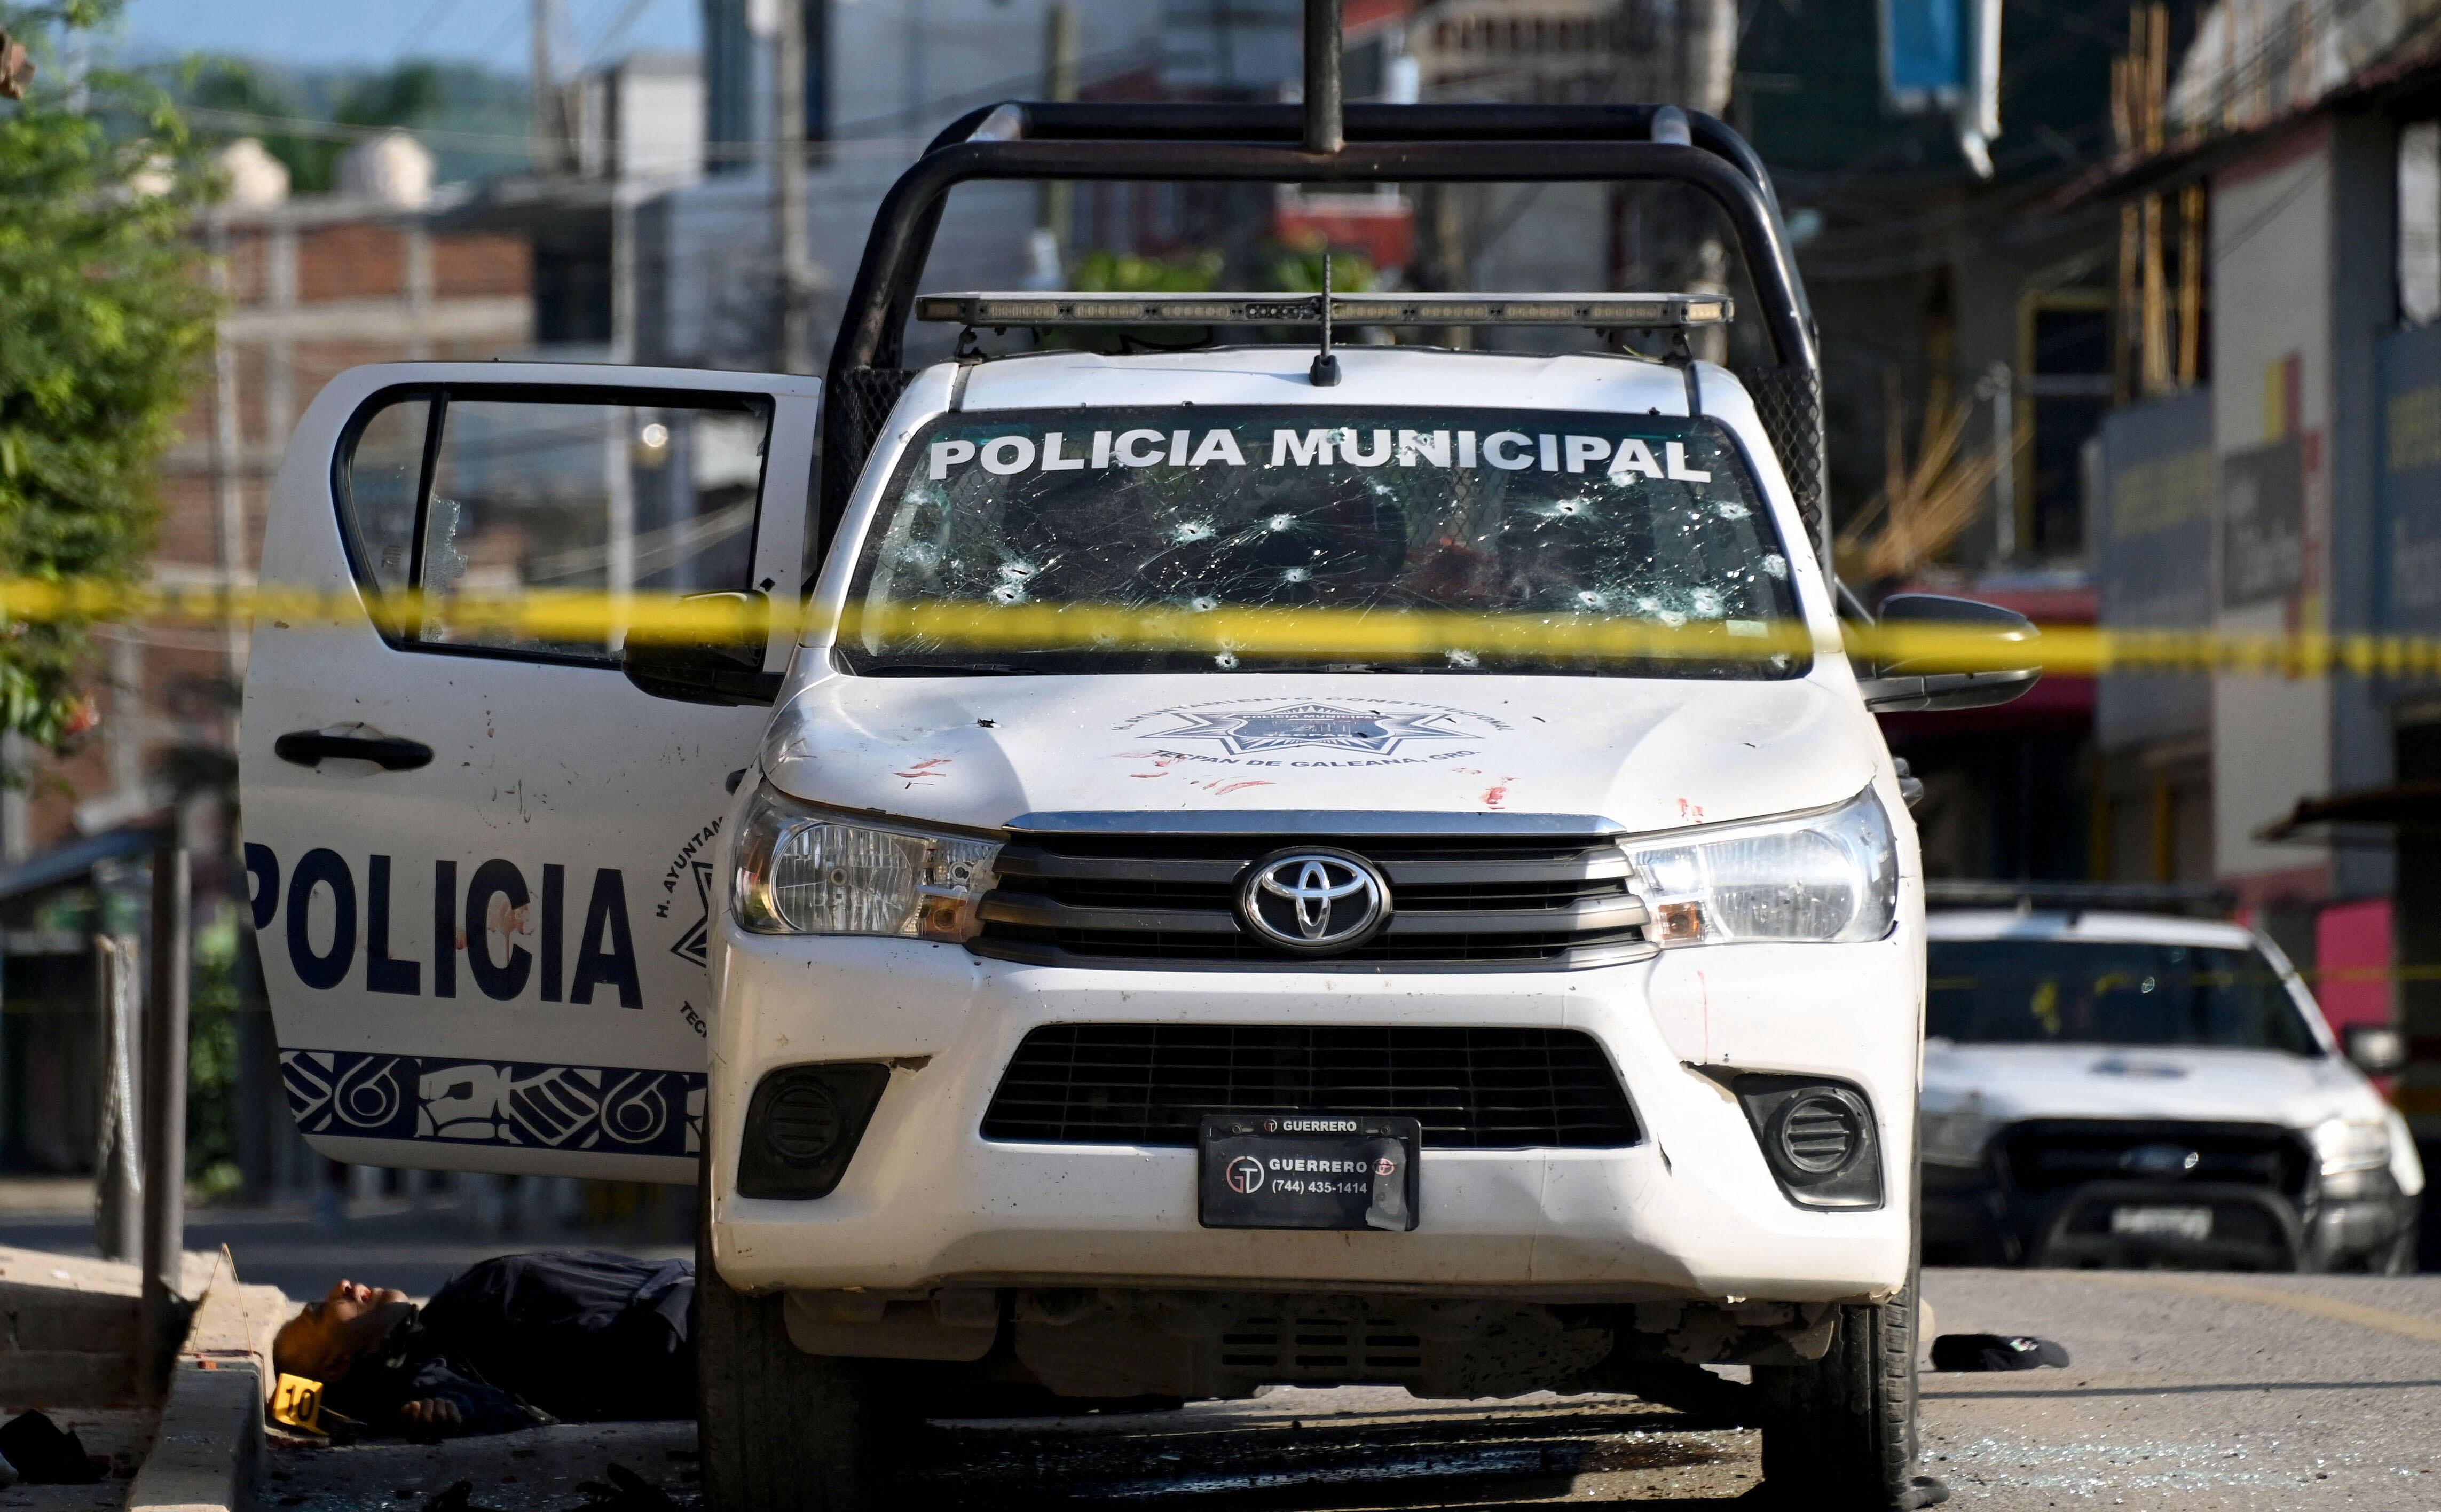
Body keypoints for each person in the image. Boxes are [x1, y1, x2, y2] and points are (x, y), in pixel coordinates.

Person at [272, 1251, 696, 1437]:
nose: (341, 1286)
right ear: (335, 1365)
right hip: (695, 1333)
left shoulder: (437, 1330)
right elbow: (488, 1405)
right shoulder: (424, 1373)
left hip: (699, 1288)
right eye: (318, 1311)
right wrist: (446, 1415)